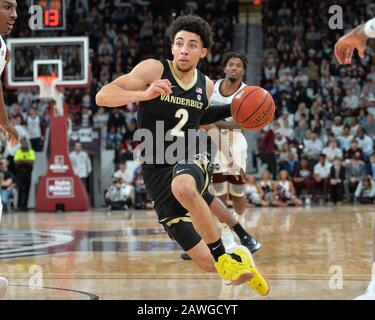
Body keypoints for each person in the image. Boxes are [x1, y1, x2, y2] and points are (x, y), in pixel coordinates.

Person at [96, 15, 268, 295]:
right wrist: (144, 94)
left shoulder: (207, 86)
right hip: (154, 167)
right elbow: (103, 96)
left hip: (191, 154)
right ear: (172, 48)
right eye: (179, 43)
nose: (184, 49)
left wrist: (234, 110)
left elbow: (201, 117)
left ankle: (223, 254)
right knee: (205, 263)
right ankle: (237, 257)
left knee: (184, 186)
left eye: (192, 44)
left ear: (203, 52)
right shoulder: (153, 69)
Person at [209, 52, 260, 251]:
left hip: (236, 144)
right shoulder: (211, 88)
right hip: (214, 142)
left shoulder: (248, 93)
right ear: (225, 68)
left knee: (238, 194)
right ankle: (226, 234)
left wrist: (215, 123)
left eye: (238, 65)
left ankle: (239, 222)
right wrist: (219, 124)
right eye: (231, 64)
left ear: (243, 71)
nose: (234, 68)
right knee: (219, 190)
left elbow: (244, 125)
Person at [0, 0, 19, 299]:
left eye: (16, 8)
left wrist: (5, 123)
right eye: (6, 7)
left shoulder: (3, 47)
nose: (15, 15)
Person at [14, 137, 35, 211]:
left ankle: (25, 206)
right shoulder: (18, 152)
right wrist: (26, 161)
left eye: (26, 143)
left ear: (28, 144)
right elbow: (16, 162)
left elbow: (31, 161)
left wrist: (22, 160)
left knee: (27, 189)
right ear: (21, 144)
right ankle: (19, 206)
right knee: (20, 189)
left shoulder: (31, 151)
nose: (25, 145)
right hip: (20, 173)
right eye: (23, 144)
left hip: (28, 173)